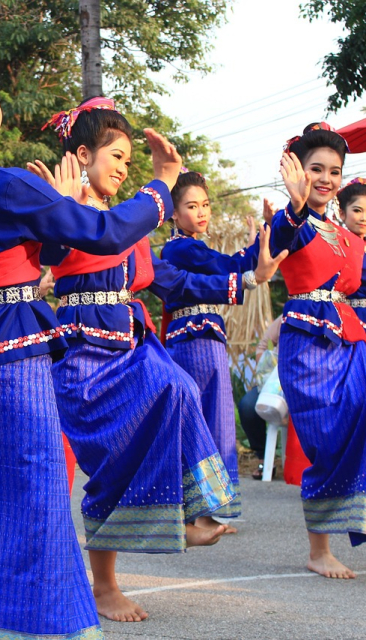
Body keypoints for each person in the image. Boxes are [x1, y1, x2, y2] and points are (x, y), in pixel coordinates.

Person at [0, 25, 181, 638]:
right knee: (36, 503)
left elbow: (34, 255)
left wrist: (57, 204)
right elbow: (108, 235)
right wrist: (161, 187)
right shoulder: (3, 183)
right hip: (13, 361)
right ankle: (46, 627)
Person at [32, 97, 283, 621]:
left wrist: (269, 244)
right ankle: (103, 585)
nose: (124, 168)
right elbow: (47, 258)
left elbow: (176, 279)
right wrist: (59, 208)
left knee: (180, 390)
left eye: (129, 159)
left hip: (131, 344)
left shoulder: (125, 220)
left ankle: (192, 512)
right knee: (109, 462)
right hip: (83, 352)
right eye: (115, 156)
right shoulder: (64, 205)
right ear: (82, 155)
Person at [270, 122, 366, 579]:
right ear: (299, 171)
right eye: (316, 169)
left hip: (349, 341)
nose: (326, 179)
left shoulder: (349, 236)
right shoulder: (291, 220)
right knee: (326, 441)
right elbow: (275, 247)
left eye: (334, 171)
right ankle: (319, 550)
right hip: (307, 347)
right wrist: (293, 203)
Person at [159, 171, 264, 529]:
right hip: (197, 341)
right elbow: (227, 268)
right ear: (174, 212)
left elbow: (225, 267)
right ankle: (201, 511)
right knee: (208, 419)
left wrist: (252, 250)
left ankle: (201, 509)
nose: (201, 212)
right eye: (192, 206)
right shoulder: (183, 248)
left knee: (206, 419)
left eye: (205, 205)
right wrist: (255, 251)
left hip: (197, 338)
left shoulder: (186, 247)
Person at [237, 315, 283, 479]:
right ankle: (263, 458)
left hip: (304, 381)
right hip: (274, 381)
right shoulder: (286, 317)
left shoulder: (324, 312)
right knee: (248, 406)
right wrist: (267, 368)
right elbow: (263, 346)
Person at [339, 177, 366, 328]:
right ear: (342, 213)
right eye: (357, 210)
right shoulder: (334, 247)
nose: (364, 218)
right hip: (344, 319)